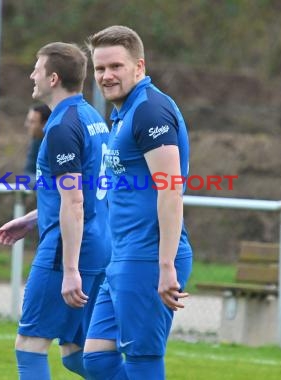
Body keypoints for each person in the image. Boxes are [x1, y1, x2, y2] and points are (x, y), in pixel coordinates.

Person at [82, 25, 193, 379]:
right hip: (124, 254)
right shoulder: (124, 114)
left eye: (116, 66)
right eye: (100, 69)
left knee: (143, 360)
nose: (106, 76)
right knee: (97, 359)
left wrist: (165, 265)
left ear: (139, 67)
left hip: (148, 255)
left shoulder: (150, 111)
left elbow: (171, 189)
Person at [0, 42, 110, 379]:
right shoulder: (92, 118)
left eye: (37, 69)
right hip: (98, 242)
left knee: (29, 345)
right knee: (76, 353)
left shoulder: (61, 127)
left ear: (54, 78)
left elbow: (74, 201)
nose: (32, 75)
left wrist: (70, 268)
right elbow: (81, 192)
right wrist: (33, 219)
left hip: (68, 250)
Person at [22, 103, 50, 182]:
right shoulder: (36, 141)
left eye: (32, 122)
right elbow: (28, 174)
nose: (26, 125)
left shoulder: (63, 142)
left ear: (45, 124)